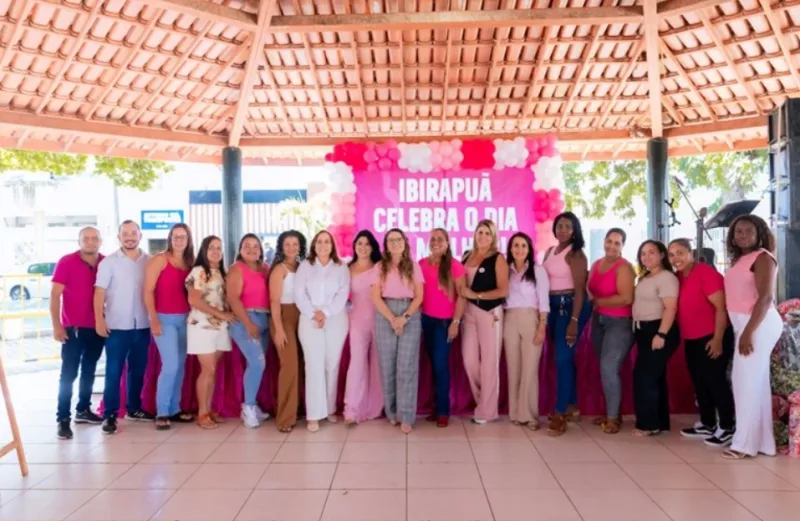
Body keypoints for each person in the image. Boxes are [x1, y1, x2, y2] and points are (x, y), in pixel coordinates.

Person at [722, 215, 781, 460]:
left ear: (759, 232)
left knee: (744, 383)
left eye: (748, 230)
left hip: (757, 324)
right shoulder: (741, 260)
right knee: (755, 384)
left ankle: (743, 445)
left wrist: (748, 332)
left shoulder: (763, 257)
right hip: (745, 324)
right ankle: (765, 444)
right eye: (738, 231)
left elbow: (765, 298)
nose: (742, 234)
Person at [669, 238, 735, 447]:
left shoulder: (704, 273)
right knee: (700, 382)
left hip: (712, 336)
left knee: (715, 381)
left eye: (680, 252)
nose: (675, 258)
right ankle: (708, 423)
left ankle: (727, 426)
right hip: (692, 338)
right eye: (671, 255)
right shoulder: (678, 277)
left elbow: (721, 308)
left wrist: (717, 339)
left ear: (690, 253)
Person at [95, 220, 153, 435]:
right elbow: (99, 292)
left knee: (138, 370)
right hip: (117, 326)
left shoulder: (150, 261)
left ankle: (134, 408)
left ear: (140, 235)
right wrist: (99, 320)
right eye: (125, 233)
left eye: (133, 233)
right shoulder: (109, 263)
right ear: (119, 237)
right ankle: (109, 415)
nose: (129, 237)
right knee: (113, 372)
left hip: (143, 325)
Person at [51, 227, 105, 440]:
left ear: (100, 241)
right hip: (72, 329)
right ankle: (63, 418)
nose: (90, 242)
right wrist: (56, 325)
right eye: (86, 239)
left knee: (89, 370)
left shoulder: (105, 262)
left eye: (94, 239)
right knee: (68, 374)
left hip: (97, 328)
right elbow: (55, 295)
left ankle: (83, 409)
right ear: (79, 241)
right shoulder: (66, 262)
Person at [295, 230, 350, 433]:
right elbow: (299, 294)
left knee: (331, 364)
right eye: (319, 241)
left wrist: (325, 313)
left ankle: (329, 409)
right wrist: (314, 314)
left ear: (332, 245)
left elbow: (343, 293)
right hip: (309, 320)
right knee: (314, 365)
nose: (323, 245)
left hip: (335, 319)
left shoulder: (341, 266)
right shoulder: (305, 266)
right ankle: (314, 414)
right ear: (314, 245)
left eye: (327, 241)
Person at [371, 228, 424, 434]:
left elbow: (419, 296)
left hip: (410, 313)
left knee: (406, 366)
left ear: (405, 242)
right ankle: (392, 412)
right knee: (387, 366)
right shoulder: (379, 267)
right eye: (391, 240)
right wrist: (393, 319)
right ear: (386, 245)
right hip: (385, 314)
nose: (395, 243)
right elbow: (376, 297)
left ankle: (407, 415)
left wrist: (405, 318)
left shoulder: (414, 266)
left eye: (398, 239)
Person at [542, 212, 591, 436]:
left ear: (574, 230)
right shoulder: (550, 252)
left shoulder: (576, 254)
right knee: (563, 359)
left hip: (570, 307)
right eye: (559, 225)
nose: (562, 230)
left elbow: (580, 290)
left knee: (562, 359)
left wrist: (574, 321)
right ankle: (572, 405)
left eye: (567, 227)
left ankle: (560, 413)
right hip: (552, 308)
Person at [144, 223, 195, 430]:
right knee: (171, 365)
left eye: (183, 236)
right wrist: (153, 318)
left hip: (185, 319)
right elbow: (148, 291)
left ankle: (174, 408)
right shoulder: (160, 259)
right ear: (170, 238)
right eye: (175, 236)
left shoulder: (190, 263)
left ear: (188, 239)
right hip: (164, 319)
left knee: (180, 365)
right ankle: (162, 411)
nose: (179, 240)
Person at [461, 219, 510, 425]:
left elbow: (503, 290)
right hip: (468, 313)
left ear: (493, 237)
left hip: (490, 312)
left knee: (489, 361)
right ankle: (483, 400)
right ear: (474, 234)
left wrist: (477, 295)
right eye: (480, 232)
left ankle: (488, 410)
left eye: (487, 233)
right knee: (469, 359)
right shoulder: (466, 256)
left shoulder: (498, 258)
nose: (483, 236)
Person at [587, 228, 635, 434]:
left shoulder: (624, 267)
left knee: (608, 367)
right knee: (606, 368)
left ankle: (613, 418)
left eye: (617, 243)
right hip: (599, 321)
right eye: (609, 241)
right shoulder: (596, 264)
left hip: (619, 323)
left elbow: (626, 298)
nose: (612, 246)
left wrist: (598, 302)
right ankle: (611, 412)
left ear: (622, 247)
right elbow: (589, 288)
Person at [185, 236, 235, 429]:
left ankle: (209, 409)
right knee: (208, 370)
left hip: (220, 327)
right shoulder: (199, 271)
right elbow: (194, 300)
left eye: (219, 248)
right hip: (202, 326)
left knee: (213, 370)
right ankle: (202, 413)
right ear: (204, 251)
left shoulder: (222, 272)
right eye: (211, 248)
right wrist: (220, 314)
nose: (215, 251)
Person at [631, 240, 679, 436]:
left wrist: (661, 334)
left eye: (651, 252)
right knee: (654, 377)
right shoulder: (645, 277)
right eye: (643, 253)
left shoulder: (667, 278)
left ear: (661, 255)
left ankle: (648, 425)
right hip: (643, 331)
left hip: (658, 330)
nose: (646, 257)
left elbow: (670, 307)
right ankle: (660, 422)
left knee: (645, 378)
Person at [419, 228, 467, 428]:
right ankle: (435, 407)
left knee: (440, 365)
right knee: (432, 365)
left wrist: (455, 322)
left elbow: (462, 296)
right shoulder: (421, 264)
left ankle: (443, 410)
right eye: (433, 239)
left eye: (440, 239)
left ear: (448, 243)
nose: (436, 242)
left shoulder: (455, 266)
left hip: (445, 323)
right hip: (425, 321)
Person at [504, 232, 549, 430]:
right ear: (510, 249)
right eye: (515, 245)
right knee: (513, 368)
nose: (519, 249)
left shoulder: (538, 271)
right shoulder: (505, 271)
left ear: (529, 249)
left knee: (530, 369)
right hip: (510, 319)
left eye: (523, 245)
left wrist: (541, 326)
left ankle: (530, 415)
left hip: (531, 319)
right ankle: (515, 413)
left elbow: (544, 301)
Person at [227, 234, 271, 428]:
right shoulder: (237, 269)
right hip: (245, 319)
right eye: (247, 246)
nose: (252, 249)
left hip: (265, 318)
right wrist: (248, 323)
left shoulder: (265, 269)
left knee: (257, 365)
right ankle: (248, 407)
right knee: (257, 363)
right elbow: (233, 299)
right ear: (240, 249)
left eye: (255, 246)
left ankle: (252, 403)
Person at [343, 230, 384, 425]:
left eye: (367, 244)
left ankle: (375, 408)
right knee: (357, 363)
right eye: (360, 243)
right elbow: (341, 296)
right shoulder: (347, 269)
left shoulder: (381, 267)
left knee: (378, 364)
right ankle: (352, 409)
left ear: (373, 247)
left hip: (380, 318)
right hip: (356, 320)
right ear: (354, 246)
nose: (363, 247)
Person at [269, 230, 306, 433]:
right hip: (283, 317)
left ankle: (296, 409)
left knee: (300, 365)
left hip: (301, 316)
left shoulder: (301, 267)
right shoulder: (279, 269)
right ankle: (284, 417)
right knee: (289, 365)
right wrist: (279, 329)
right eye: (287, 244)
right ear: (281, 247)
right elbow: (274, 300)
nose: (291, 247)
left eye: (295, 243)